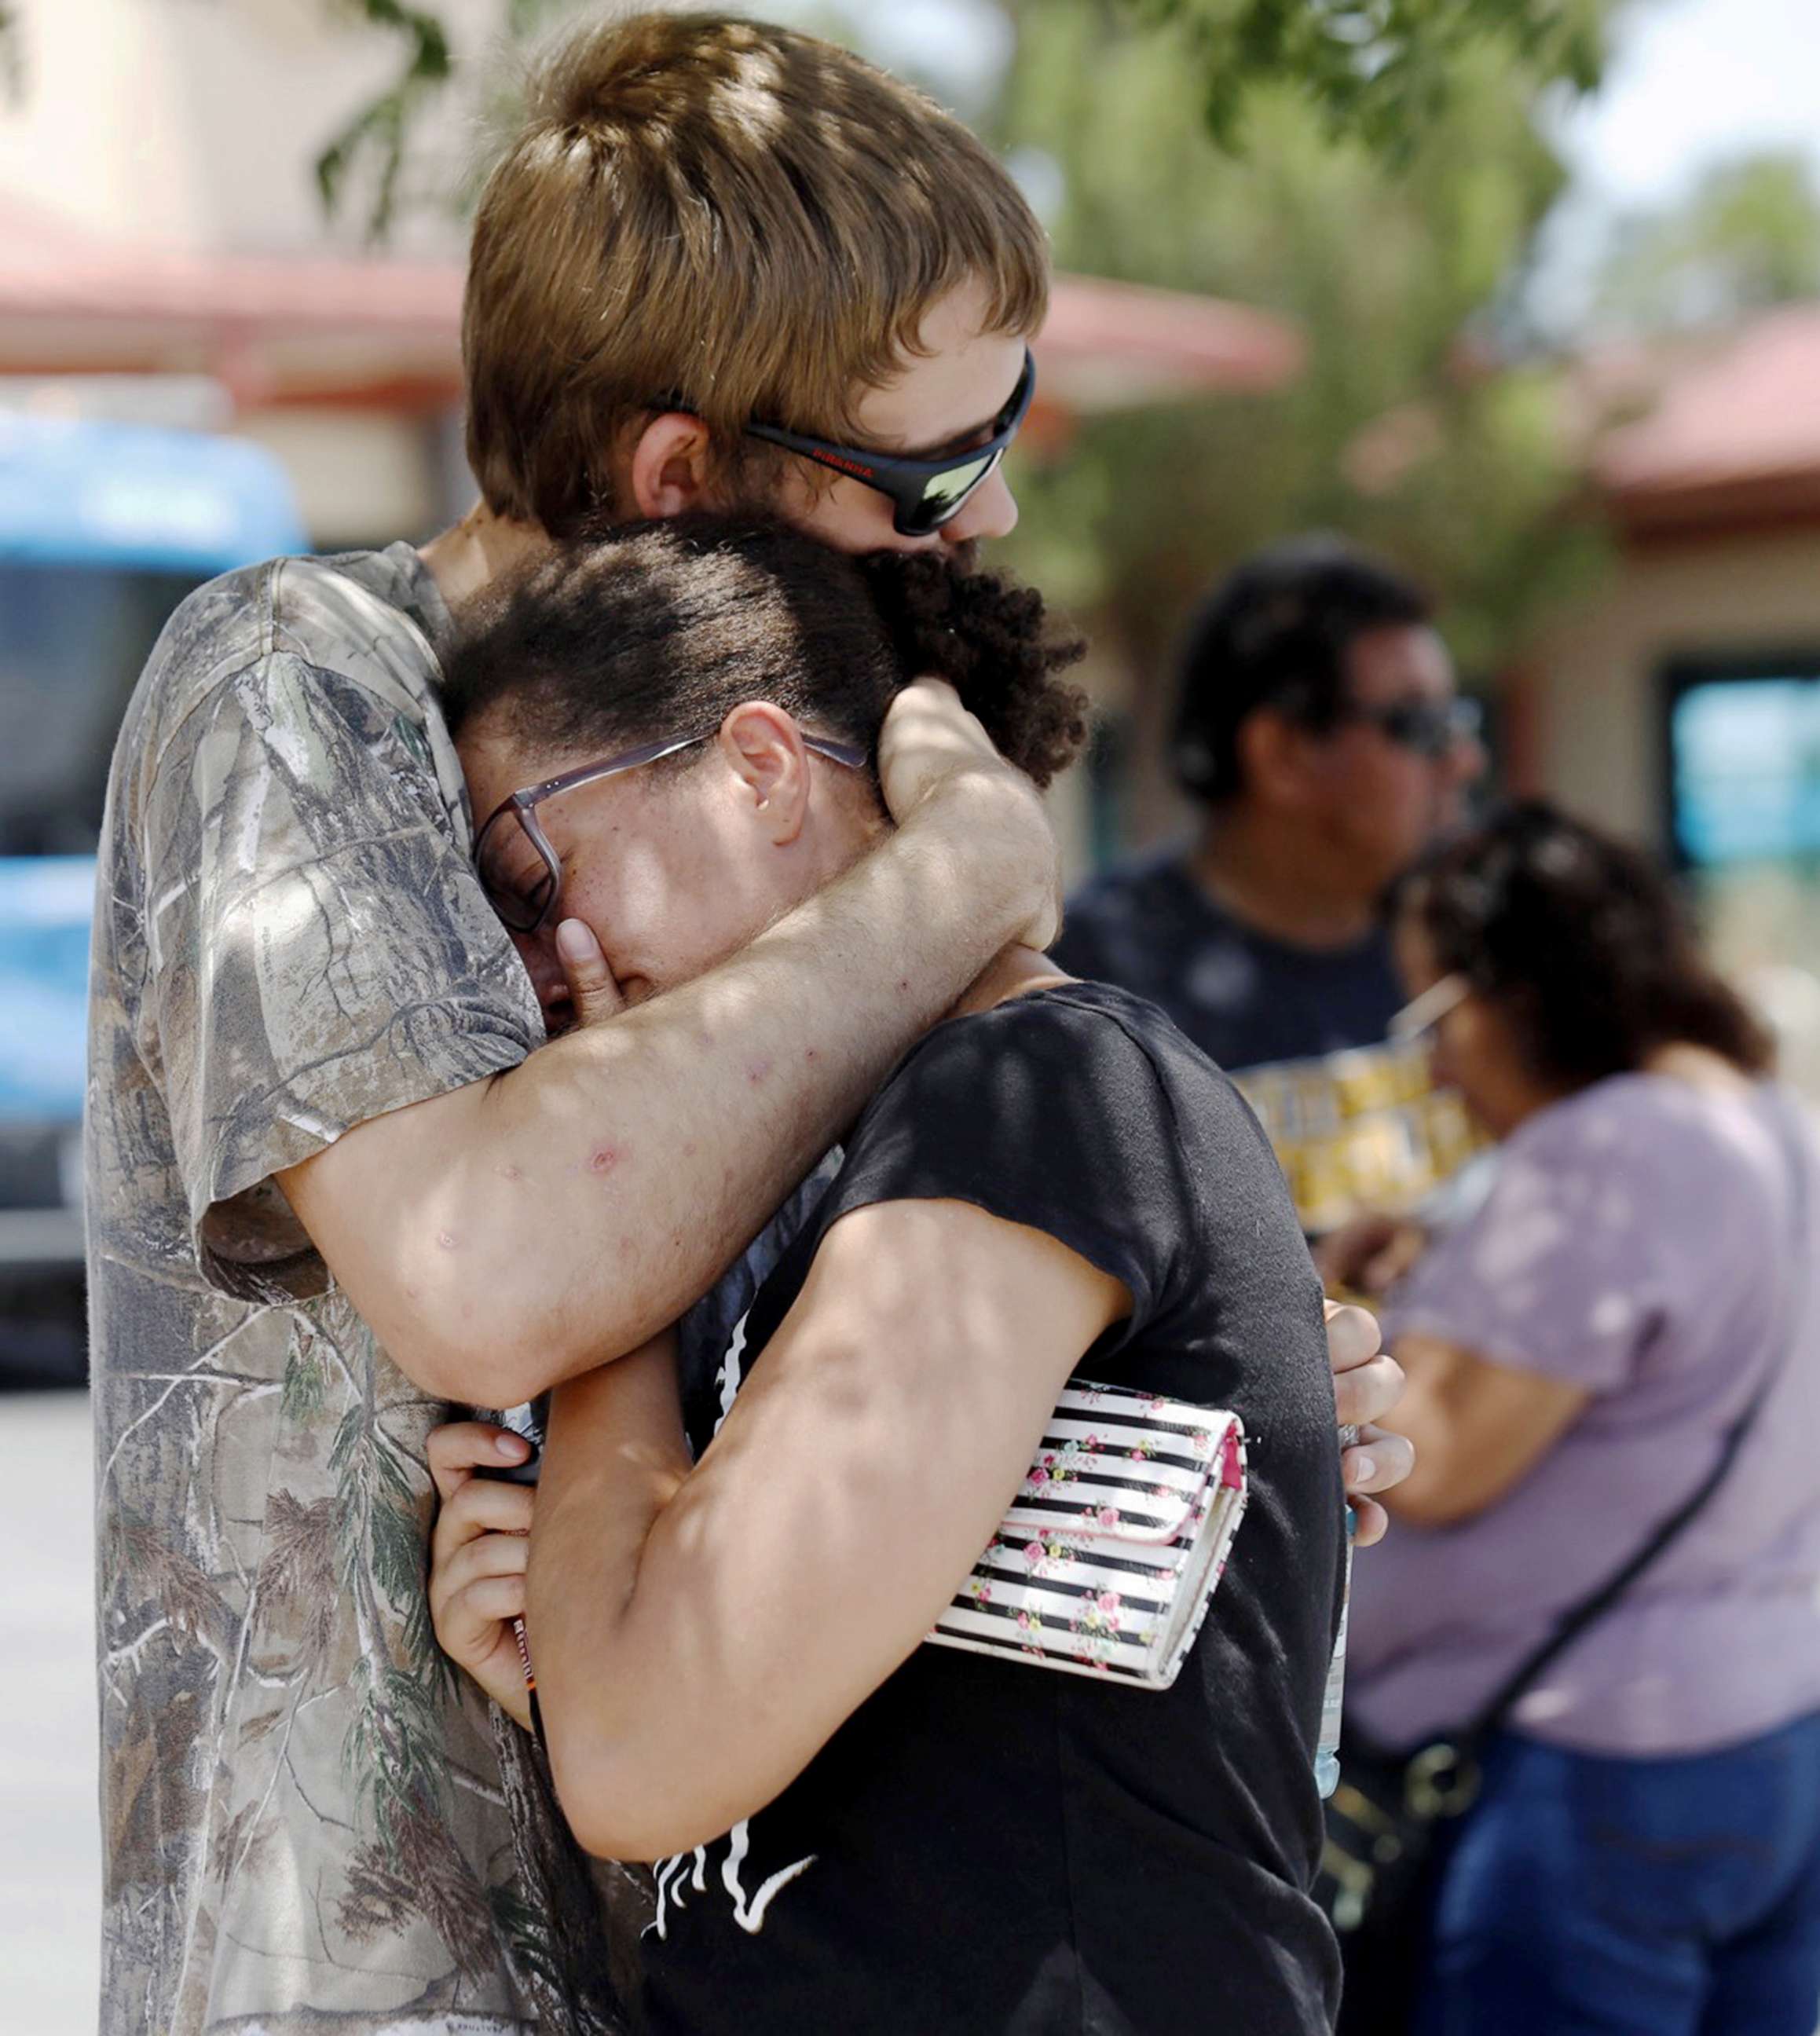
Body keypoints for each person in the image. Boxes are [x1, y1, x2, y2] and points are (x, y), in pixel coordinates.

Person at [86, 14, 1408, 2034]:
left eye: (1007, 432)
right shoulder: (307, 678)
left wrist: (1222, 1422)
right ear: (681, 476)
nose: (987, 528)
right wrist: (956, 880)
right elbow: (484, 1267)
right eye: (929, 473)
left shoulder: (776, 859)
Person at [427, 518, 1409, 2035]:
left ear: (756, 766)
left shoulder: (1029, 1094)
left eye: (529, 870)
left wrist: (598, 1276)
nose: (537, 962)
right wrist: (581, 1589)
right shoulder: (880, 1165)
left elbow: (637, 1756)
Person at [1322, 803, 1820, 2036]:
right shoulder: (1762, 1119)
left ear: (1523, 990)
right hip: (1760, 1734)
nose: (1432, 1066)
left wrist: (1317, 1292)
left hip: (1587, 1773)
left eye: (1431, 1017)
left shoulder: (1606, 1153)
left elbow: (1431, 1457)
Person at [1053, 536, 1486, 1234]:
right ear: (1282, 755)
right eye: (1421, 726)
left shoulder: (1475, 943)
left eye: (1460, 719)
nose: (1465, 759)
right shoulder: (1091, 994)